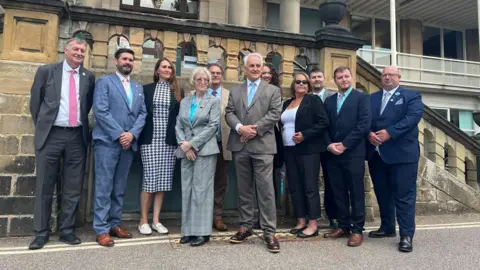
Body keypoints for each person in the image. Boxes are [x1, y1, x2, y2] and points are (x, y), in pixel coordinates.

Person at [28, 38, 95, 250]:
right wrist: (45, 127)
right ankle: (41, 232)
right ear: (65, 50)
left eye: (82, 50)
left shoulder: (89, 76)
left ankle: (67, 230)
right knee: (45, 186)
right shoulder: (47, 71)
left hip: (77, 136)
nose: (79, 53)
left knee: (73, 187)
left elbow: (88, 106)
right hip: (51, 135)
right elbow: (35, 105)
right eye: (75, 49)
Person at [226, 53, 282, 253]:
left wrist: (254, 130)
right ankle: (246, 226)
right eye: (252, 66)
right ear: (245, 68)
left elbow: (274, 114)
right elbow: (229, 113)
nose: (256, 69)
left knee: (266, 190)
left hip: (262, 146)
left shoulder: (273, 90)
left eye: (259, 66)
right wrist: (241, 128)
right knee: (244, 189)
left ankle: (269, 231)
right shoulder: (235, 91)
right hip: (240, 145)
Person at [92, 48, 147, 247]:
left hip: (128, 144)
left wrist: (131, 134)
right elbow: (101, 111)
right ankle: (101, 229)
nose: (128, 62)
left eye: (131, 60)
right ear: (116, 61)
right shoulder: (104, 82)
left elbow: (142, 114)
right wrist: (120, 134)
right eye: (124, 58)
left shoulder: (137, 87)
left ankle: (115, 223)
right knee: (104, 187)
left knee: (119, 187)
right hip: (107, 143)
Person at [366, 66, 424, 253]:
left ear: (399, 77)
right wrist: (368, 134)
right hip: (377, 154)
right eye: (384, 75)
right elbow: (364, 120)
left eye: (391, 75)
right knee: (383, 193)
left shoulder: (412, 96)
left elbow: (412, 118)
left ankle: (406, 235)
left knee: (404, 196)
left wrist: (390, 133)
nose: (387, 78)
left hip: (402, 155)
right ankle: (387, 227)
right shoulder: (372, 98)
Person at [323, 66, 371, 247]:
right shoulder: (329, 101)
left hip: (353, 153)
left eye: (346, 76)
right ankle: (343, 225)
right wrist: (329, 145)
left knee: (356, 192)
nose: (343, 79)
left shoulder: (361, 98)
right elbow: (324, 126)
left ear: (351, 77)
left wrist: (344, 145)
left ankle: (357, 229)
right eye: (340, 77)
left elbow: (364, 124)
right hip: (333, 153)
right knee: (338, 190)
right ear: (334, 80)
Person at [280, 73, 329, 238]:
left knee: (309, 187)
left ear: (308, 86)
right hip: (289, 149)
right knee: (294, 186)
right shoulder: (287, 103)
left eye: (304, 82)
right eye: (298, 81)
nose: (301, 84)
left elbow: (323, 122)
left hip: (308, 149)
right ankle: (300, 220)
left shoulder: (313, 100)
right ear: (293, 85)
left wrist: (305, 135)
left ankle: (313, 224)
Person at [176, 67, 220, 247]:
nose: (202, 82)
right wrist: (184, 145)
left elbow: (213, 126)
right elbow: (178, 124)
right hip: (186, 150)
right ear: (193, 81)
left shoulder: (214, 101)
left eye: (205, 80)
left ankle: (201, 232)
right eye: (199, 79)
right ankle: (188, 231)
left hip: (205, 150)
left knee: (201, 191)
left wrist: (192, 144)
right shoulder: (185, 101)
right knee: (187, 189)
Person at [137, 58, 182, 235]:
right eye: (163, 67)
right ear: (157, 71)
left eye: (169, 67)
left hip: (168, 142)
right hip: (150, 140)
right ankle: (143, 220)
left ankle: (156, 220)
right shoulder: (146, 89)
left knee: (163, 181)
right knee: (149, 180)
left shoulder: (177, 91)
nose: (167, 69)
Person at [310, 67, 338, 229]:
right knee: (310, 183)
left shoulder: (332, 98)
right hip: (310, 146)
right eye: (313, 77)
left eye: (319, 77)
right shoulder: (304, 98)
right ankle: (309, 216)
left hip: (329, 146)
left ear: (324, 78)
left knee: (331, 182)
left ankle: (333, 216)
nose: (316, 80)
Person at [207, 63, 232, 232]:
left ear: (222, 76)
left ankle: (217, 216)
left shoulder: (230, 95)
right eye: (212, 73)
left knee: (220, 182)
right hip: (202, 146)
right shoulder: (196, 93)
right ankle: (201, 217)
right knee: (202, 183)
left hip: (223, 144)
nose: (215, 75)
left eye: (218, 73)